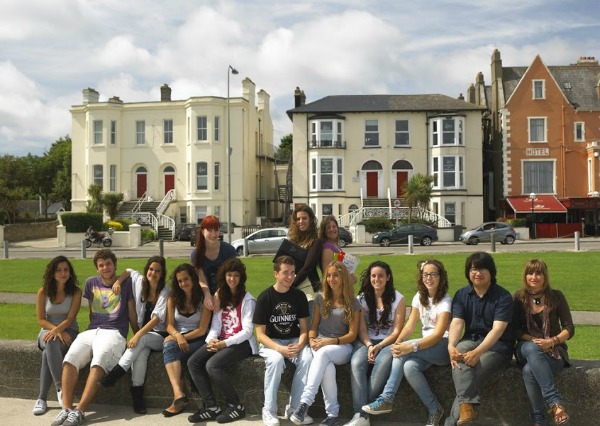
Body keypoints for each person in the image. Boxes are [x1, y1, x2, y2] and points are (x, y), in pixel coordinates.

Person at [51, 249, 137, 426]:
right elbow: (91, 310)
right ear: (97, 268)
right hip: (92, 330)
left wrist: (138, 334)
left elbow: (131, 311)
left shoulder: (126, 284)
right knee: (69, 359)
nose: (105, 268)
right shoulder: (91, 283)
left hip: (114, 333)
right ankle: (66, 409)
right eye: (101, 265)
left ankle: (80, 411)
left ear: (115, 265)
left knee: (98, 362)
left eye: (108, 264)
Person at [363, 259, 451, 426]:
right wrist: (400, 342)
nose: (429, 278)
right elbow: (410, 324)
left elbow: (439, 334)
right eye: (425, 274)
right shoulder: (419, 296)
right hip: (425, 346)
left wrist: (411, 346)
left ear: (441, 277)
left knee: (402, 354)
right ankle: (435, 409)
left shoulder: (445, 301)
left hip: (441, 347)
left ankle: (387, 398)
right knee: (409, 367)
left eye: (433, 274)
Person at [444, 252, 514, 426]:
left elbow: (498, 330)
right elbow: (457, 323)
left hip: (498, 346)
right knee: (459, 357)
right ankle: (466, 409)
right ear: (468, 272)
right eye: (474, 269)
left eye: (483, 269)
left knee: (471, 375)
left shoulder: (503, 296)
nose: (478, 273)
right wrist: (451, 345)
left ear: (491, 272)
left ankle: (450, 422)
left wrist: (477, 352)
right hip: (472, 340)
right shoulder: (461, 295)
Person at [187, 258, 257, 424]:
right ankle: (211, 406)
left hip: (242, 343)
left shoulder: (248, 300)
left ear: (242, 278)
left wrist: (223, 344)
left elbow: (247, 331)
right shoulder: (220, 296)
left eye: (236, 275)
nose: (232, 279)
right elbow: (216, 325)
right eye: (229, 275)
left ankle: (236, 405)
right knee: (193, 362)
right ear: (224, 276)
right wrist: (211, 340)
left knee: (213, 365)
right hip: (221, 339)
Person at [290, 261, 361, 426]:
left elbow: (352, 335)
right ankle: (332, 414)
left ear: (343, 277)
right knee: (327, 368)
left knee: (323, 354)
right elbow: (313, 327)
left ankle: (305, 402)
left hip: (341, 346)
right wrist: (312, 339)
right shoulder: (320, 298)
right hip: (320, 343)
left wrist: (331, 341)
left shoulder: (353, 302)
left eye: (336, 275)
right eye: (328, 275)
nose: (331, 279)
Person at [97, 255, 171, 414]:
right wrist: (118, 281)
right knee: (141, 355)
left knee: (142, 340)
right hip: (143, 339)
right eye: (151, 269)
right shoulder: (140, 282)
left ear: (162, 273)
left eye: (158, 271)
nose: (153, 273)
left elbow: (157, 319)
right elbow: (129, 271)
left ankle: (117, 373)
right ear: (147, 270)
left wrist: (137, 335)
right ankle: (137, 396)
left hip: (160, 336)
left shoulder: (165, 291)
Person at [512, 259, 574, 426]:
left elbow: (569, 328)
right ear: (525, 276)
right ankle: (555, 402)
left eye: (539, 273)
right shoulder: (518, 298)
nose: (534, 277)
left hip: (554, 350)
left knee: (528, 371)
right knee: (532, 349)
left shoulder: (556, 296)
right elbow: (515, 329)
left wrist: (552, 341)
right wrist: (533, 340)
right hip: (525, 347)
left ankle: (539, 420)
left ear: (545, 276)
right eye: (530, 273)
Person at [254, 255, 313, 426]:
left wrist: (300, 344)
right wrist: (280, 349)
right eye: (285, 273)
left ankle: (294, 409)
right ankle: (269, 410)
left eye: (293, 273)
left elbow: (304, 329)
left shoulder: (299, 296)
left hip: (294, 340)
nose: (290, 277)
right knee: (276, 361)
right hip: (271, 343)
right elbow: (260, 335)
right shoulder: (265, 297)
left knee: (308, 358)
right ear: (276, 274)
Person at [346, 261, 405, 426]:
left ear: (388, 277)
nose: (376, 279)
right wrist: (370, 345)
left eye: (380, 276)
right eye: (373, 276)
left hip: (388, 342)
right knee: (357, 363)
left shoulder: (398, 299)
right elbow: (362, 330)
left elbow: (396, 332)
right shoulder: (362, 299)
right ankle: (361, 416)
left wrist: (379, 346)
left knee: (383, 362)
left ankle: (362, 414)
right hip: (367, 341)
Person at [33, 256, 82, 416]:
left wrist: (59, 331)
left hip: (70, 332)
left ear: (70, 272)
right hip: (48, 332)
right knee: (51, 342)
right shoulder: (43, 292)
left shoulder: (75, 292)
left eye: (66, 270)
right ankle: (61, 388)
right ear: (52, 273)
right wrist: (55, 330)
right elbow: (41, 319)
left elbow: (70, 318)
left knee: (49, 350)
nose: (63, 273)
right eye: (59, 270)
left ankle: (41, 398)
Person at [162, 263, 212, 417]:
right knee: (170, 347)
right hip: (179, 336)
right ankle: (178, 394)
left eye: (186, 279)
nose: (183, 283)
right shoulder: (173, 297)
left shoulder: (204, 298)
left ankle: (177, 399)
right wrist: (177, 336)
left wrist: (181, 338)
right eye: (179, 281)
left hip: (199, 338)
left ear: (193, 279)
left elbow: (202, 329)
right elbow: (169, 325)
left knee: (171, 350)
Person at [191, 215, 237, 310]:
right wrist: (207, 294)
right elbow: (201, 280)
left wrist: (218, 294)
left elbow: (233, 276)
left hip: (227, 295)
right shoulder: (196, 254)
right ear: (203, 231)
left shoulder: (229, 250)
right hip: (204, 297)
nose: (213, 234)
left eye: (216, 230)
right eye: (210, 230)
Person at [287, 204, 323, 315]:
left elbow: (308, 267)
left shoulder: (316, 240)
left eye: (304, 218)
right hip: (294, 288)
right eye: (298, 219)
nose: (300, 221)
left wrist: (290, 285)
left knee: (309, 325)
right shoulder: (293, 240)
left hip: (310, 290)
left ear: (311, 220)